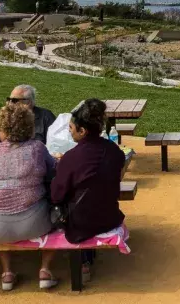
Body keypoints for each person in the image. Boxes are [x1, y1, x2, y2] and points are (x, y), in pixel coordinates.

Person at [0, 103, 58, 291]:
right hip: (34, 223)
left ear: (2, 129)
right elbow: (53, 170)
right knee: (59, 213)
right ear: (29, 127)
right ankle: (45, 269)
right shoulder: (37, 148)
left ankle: (7, 273)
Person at [51, 99, 125, 284]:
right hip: (109, 217)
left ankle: (79, 264)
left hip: (80, 225)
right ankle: (86, 260)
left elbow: (56, 196)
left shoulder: (70, 158)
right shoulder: (114, 151)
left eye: (71, 128)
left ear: (82, 131)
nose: (69, 131)